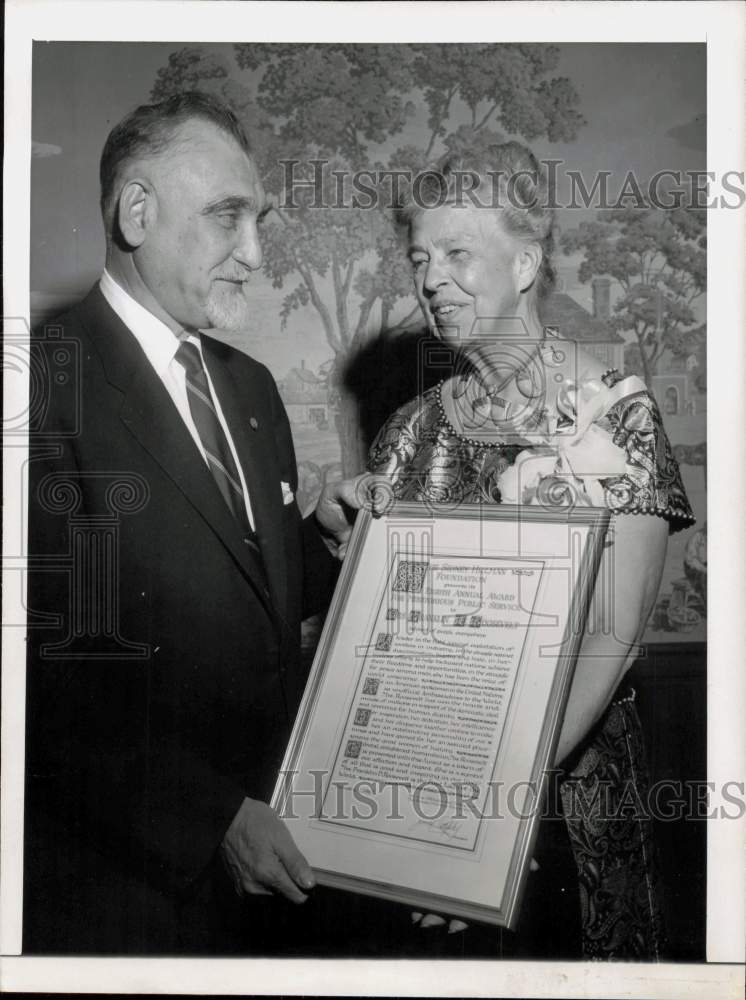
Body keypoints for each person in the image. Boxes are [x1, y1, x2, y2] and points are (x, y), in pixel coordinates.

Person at [24, 92, 362, 955]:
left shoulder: (248, 388)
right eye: (227, 218)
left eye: (260, 222)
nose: (255, 255)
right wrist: (210, 818)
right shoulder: (38, 387)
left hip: (279, 876)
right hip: (123, 899)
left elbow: (249, 596)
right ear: (138, 212)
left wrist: (333, 540)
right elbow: (37, 676)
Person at [367, 142, 696, 959]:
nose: (431, 279)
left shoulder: (611, 415)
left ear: (525, 263)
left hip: (565, 787)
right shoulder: (409, 432)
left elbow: (613, 640)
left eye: (456, 255)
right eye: (420, 258)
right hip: (429, 777)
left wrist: (500, 802)